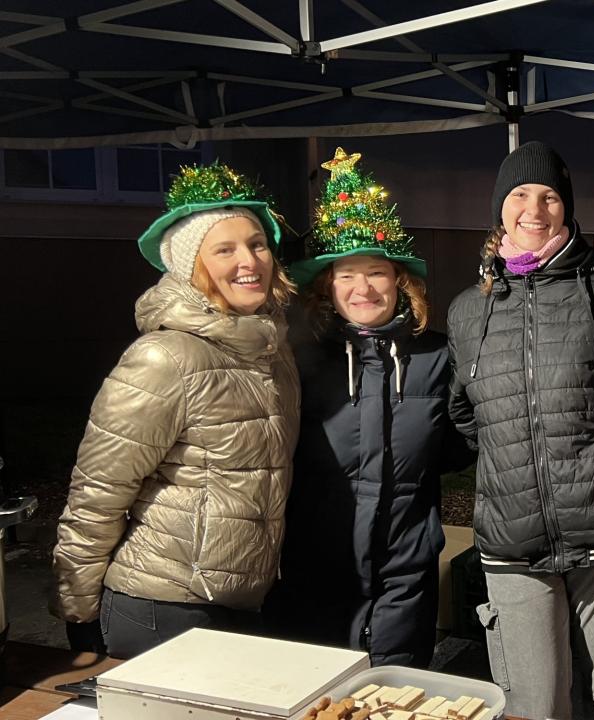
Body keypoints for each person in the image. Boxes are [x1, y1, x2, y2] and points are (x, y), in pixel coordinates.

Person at [51, 163, 300, 658]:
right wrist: (77, 608)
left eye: (257, 244)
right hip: (163, 604)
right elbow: (99, 492)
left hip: (240, 597)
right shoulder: (164, 358)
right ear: (192, 266)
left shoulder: (272, 350)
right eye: (224, 250)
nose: (249, 260)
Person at [447, 141, 594, 719]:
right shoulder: (468, 310)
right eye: (520, 195)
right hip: (511, 539)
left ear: (567, 208)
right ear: (500, 207)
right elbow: (464, 412)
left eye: (549, 196)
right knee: (535, 706)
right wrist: (511, 462)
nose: (534, 210)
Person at [266, 149, 471, 667]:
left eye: (376, 272)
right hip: (316, 566)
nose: (363, 289)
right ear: (327, 286)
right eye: (346, 275)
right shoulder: (299, 359)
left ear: (399, 280)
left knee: (396, 692)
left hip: (405, 570)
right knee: (317, 693)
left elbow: (457, 445)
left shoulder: (436, 355)